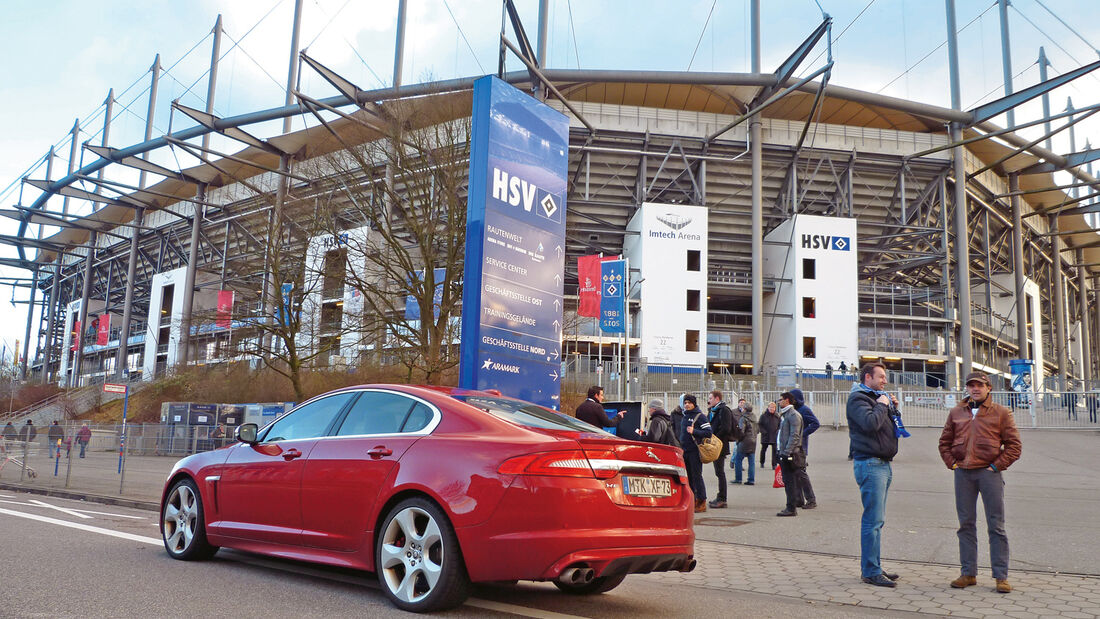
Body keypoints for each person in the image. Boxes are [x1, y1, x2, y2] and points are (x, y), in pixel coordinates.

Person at [939, 371, 1023, 594]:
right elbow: (944, 442)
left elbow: (1014, 446)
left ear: (989, 388)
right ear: (967, 388)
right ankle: (968, 573)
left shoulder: (1001, 413)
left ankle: (1000, 576)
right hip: (963, 474)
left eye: (980, 385)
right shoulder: (956, 412)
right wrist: (952, 464)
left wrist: (995, 466)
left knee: (996, 525)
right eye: (971, 385)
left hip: (989, 474)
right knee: (966, 524)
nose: (975, 389)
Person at [847, 362, 904, 588]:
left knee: (877, 521)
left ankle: (875, 567)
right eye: (881, 377)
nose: (884, 381)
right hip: (870, 464)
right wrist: (881, 405)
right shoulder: (858, 399)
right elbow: (870, 424)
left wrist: (892, 409)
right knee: (872, 521)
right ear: (867, 377)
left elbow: (886, 428)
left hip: (882, 464)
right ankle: (870, 571)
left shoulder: (874, 398)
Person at [679, 394, 712, 513]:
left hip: (695, 451)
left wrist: (695, 431)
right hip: (685, 451)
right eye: (685, 402)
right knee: (689, 477)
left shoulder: (700, 416)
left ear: (694, 404)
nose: (687, 404)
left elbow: (708, 432)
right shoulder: (684, 416)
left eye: (689, 402)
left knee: (697, 476)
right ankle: (692, 500)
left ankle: (702, 501)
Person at [789, 389, 819, 509]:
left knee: (801, 473)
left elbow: (815, 423)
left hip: (801, 447)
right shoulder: (794, 410)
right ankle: (799, 499)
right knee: (795, 473)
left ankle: (811, 499)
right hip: (793, 445)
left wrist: (802, 434)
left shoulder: (804, 410)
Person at [775, 392, 803, 517]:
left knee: (790, 480)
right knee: (788, 480)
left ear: (787, 400)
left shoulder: (793, 415)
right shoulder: (785, 415)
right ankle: (791, 505)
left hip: (789, 453)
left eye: (780, 400)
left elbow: (794, 435)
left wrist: (786, 451)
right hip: (783, 451)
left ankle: (791, 508)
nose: (779, 402)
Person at [705, 390, 735, 508]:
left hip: (720, 446)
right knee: (718, 472)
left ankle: (722, 498)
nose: (709, 400)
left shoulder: (724, 410)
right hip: (715, 445)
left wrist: (714, 437)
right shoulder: (713, 410)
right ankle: (720, 496)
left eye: (710, 398)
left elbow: (726, 428)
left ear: (717, 399)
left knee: (720, 472)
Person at [731, 401, 757, 485]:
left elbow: (741, 431)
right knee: (751, 462)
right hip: (753, 441)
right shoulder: (754, 417)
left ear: (745, 409)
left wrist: (738, 440)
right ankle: (751, 479)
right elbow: (757, 429)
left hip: (744, 441)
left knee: (738, 460)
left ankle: (738, 479)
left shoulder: (743, 418)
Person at [758, 401, 780, 470]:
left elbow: (780, 425)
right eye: (770, 407)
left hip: (774, 436)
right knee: (763, 449)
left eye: (773, 407)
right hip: (766, 436)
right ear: (768, 408)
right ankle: (762, 462)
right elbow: (759, 424)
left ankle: (774, 464)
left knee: (774, 451)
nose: (772, 409)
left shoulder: (777, 416)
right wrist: (763, 432)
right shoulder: (763, 415)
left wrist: (777, 432)